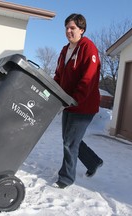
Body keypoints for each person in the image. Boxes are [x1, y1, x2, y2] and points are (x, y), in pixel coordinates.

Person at [53, 13, 103, 189]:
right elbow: (59, 76)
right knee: (70, 139)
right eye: (66, 28)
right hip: (68, 103)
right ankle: (93, 162)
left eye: (72, 28)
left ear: (81, 29)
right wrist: (53, 93)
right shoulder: (65, 51)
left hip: (83, 105)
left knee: (69, 142)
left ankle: (66, 178)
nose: (68, 31)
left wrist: (75, 99)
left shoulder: (88, 48)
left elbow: (88, 77)